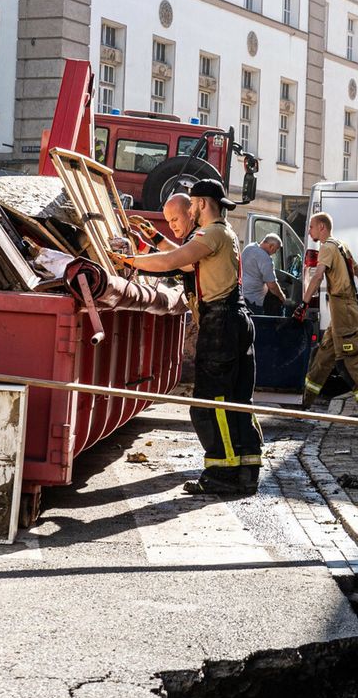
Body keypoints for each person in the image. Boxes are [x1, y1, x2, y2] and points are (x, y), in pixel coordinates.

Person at [109, 179, 261, 496]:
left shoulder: (211, 233)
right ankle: (246, 471)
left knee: (209, 404)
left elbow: (169, 262)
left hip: (220, 324)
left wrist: (126, 261)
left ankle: (223, 473)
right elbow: (183, 260)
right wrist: (151, 239)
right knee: (237, 401)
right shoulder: (225, 234)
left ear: (202, 203)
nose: (190, 211)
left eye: (191, 205)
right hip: (236, 320)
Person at [297, 212, 358, 418]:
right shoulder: (341, 247)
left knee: (349, 360)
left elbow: (318, 276)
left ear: (322, 228)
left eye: (311, 227)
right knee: (323, 357)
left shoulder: (327, 247)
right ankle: (304, 400)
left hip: (343, 312)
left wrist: (303, 304)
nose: (309, 231)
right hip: (341, 313)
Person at [242, 233, 287, 315]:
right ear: (271, 246)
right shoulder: (265, 258)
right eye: (276, 250)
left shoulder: (249, 247)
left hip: (242, 295)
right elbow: (272, 285)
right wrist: (282, 297)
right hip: (254, 300)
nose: (274, 252)